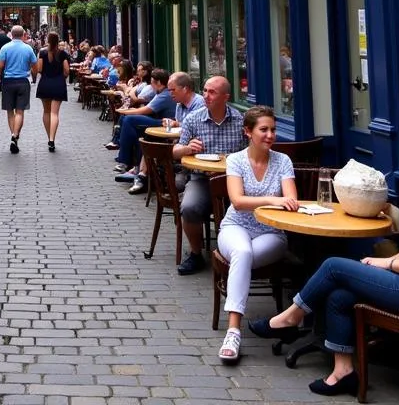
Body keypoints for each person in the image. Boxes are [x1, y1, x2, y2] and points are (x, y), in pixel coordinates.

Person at [250, 118, 399, 397]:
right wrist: (387, 265)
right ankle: (343, 373)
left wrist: (386, 263)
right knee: (339, 295)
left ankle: (289, 318)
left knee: (333, 265)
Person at [214, 106, 298, 364]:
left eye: (273, 129)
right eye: (264, 129)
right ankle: (233, 330)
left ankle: (234, 331)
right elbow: (238, 202)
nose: (270, 135)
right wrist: (275, 200)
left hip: (272, 232)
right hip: (235, 227)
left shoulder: (283, 161)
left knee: (243, 257)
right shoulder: (236, 160)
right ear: (248, 132)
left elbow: (292, 200)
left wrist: (276, 201)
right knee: (242, 251)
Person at [174, 75, 248, 274]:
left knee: (249, 209)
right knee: (189, 207)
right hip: (202, 178)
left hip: (235, 179)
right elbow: (175, 151)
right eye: (205, 90)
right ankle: (196, 254)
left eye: (212, 92)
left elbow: (251, 152)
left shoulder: (241, 121)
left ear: (226, 97)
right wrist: (187, 148)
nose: (206, 95)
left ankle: (244, 256)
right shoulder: (193, 119)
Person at [127, 72, 204, 196]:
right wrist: (174, 123)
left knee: (154, 142)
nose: (170, 93)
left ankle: (146, 177)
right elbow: (181, 124)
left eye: (173, 90)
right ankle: (143, 175)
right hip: (179, 141)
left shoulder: (199, 103)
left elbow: (195, 128)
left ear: (185, 89)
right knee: (149, 139)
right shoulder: (179, 105)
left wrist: (177, 125)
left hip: (192, 146)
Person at [111, 68, 172, 177]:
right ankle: (131, 163)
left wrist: (128, 111)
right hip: (160, 120)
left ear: (158, 83)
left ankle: (124, 160)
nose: (151, 85)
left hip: (166, 123)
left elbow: (146, 110)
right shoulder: (160, 92)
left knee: (129, 119)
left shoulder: (164, 95)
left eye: (152, 82)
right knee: (128, 122)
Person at [0, 24, 37, 153]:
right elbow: (35, 66)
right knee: (20, 111)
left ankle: (13, 136)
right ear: (23, 34)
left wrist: (0, 74)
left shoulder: (5, 48)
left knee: (10, 111)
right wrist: (34, 77)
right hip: (23, 81)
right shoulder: (28, 49)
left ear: (11, 34)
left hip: (8, 81)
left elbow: (0, 66)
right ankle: (15, 136)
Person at [34, 29, 69, 151]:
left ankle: (49, 137)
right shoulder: (63, 53)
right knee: (55, 113)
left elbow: (39, 69)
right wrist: (62, 77)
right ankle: (52, 139)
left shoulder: (42, 53)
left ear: (48, 40)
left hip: (45, 83)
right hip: (58, 83)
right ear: (58, 41)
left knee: (46, 112)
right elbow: (66, 71)